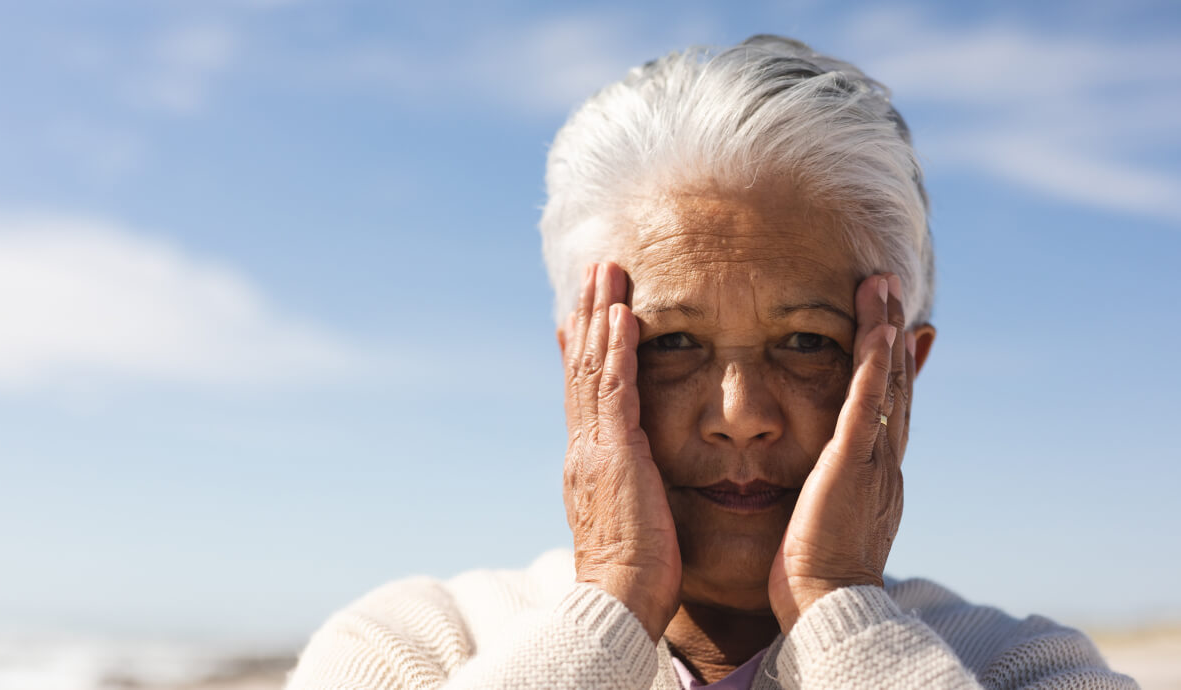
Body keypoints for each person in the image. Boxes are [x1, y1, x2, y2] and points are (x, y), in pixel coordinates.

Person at [284, 35, 1137, 689]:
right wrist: (610, 602)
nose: (738, 412)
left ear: (903, 370)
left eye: (806, 341)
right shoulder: (414, 643)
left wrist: (839, 606)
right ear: (581, 367)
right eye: (674, 345)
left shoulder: (1022, 663)